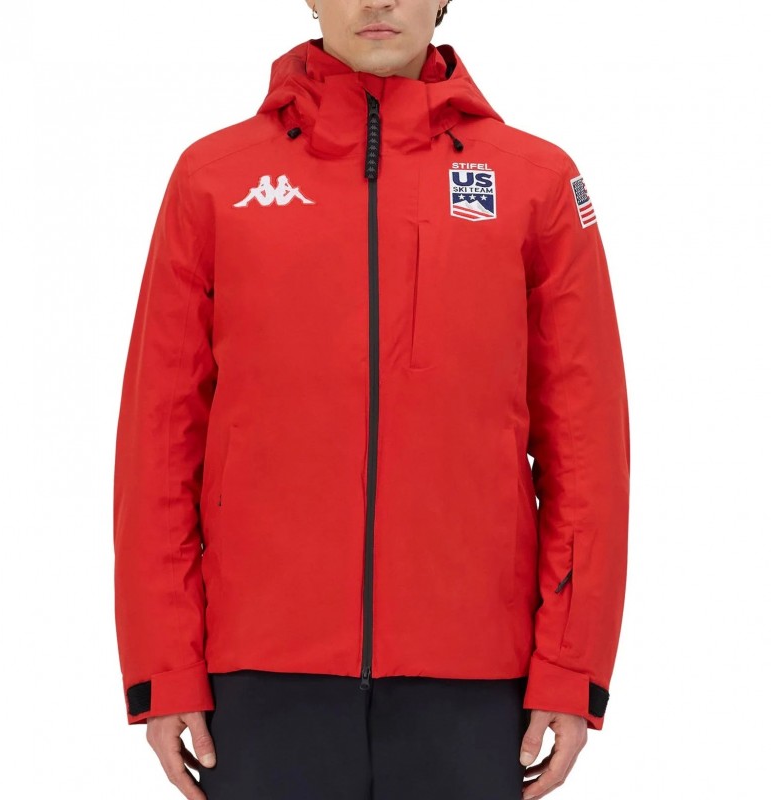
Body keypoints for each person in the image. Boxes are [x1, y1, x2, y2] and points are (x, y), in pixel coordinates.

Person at [112, 1, 630, 798]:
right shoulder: (215, 178)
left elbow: (587, 446)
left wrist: (571, 665)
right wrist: (164, 664)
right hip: (258, 673)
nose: (378, 0)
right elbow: (158, 438)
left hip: (476, 675)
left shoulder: (536, 181)